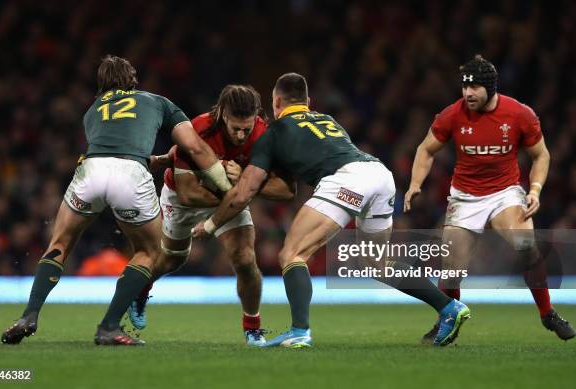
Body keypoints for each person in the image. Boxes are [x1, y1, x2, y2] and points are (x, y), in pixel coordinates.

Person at [193, 73, 471, 348]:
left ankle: (299, 331)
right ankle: (449, 307)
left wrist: (210, 225)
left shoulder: (274, 132)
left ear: (276, 102)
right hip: (380, 174)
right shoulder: (327, 120)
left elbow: (244, 193)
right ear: (308, 101)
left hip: (346, 179)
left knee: (292, 254)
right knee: (377, 264)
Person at [1, 55, 231, 346]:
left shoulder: (92, 110)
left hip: (91, 171)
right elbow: (194, 146)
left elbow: (111, 142)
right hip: (130, 174)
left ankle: (29, 315)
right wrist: (224, 186)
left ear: (101, 84)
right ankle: (109, 326)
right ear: (133, 78)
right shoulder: (156, 101)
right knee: (150, 252)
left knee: (59, 243)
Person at [404, 55, 575, 342]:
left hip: (504, 193)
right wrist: (415, 184)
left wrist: (534, 190)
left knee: (527, 247)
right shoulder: (452, 114)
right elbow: (425, 149)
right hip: (465, 196)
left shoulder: (520, 114)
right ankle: (447, 318)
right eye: (464, 88)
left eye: (475, 88)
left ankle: (547, 312)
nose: (468, 93)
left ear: (490, 88)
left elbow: (541, 154)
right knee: (451, 269)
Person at [127, 85, 295, 346]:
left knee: (245, 258)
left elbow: (286, 190)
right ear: (223, 116)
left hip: (228, 196)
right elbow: (187, 194)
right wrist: (237, 190)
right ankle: (141, 289)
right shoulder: (197, 129)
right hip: (184, 197)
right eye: (235, 128)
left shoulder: (264, 135)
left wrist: (247, 185)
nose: (241, 136)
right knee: (172, 259)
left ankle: (252, 328)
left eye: (246, 129)